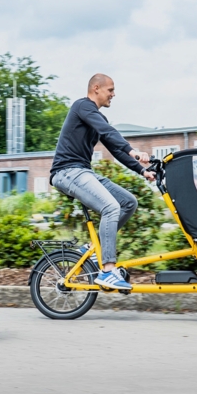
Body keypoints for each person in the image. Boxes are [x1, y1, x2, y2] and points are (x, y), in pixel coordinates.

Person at [50, 73, 155, 291]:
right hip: (67, 171)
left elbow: (116, 149)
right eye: (110, 90)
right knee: (110, 207)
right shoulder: (83, 106)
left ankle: (92, 249)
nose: (113, 94)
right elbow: (109, 132)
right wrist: (135, 151)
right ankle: (107, 270)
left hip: (82, 171)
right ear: (96, 88)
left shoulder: (98, 118)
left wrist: (142, 171)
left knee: (128, 202)